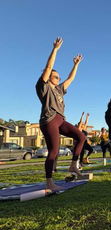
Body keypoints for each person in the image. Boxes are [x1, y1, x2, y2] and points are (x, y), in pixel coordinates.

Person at [35, 37, 86, 191]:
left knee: (81, 137)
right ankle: (49, 182)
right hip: (49, 120)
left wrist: (76, 65)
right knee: (54, 151)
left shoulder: (59, 90)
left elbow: (70, 79)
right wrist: (55, 49)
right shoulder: (43, 87)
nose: (59, 79)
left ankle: (73, 166)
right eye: (56, 77)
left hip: (60, 120)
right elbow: (48, 67)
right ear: (49, 77)